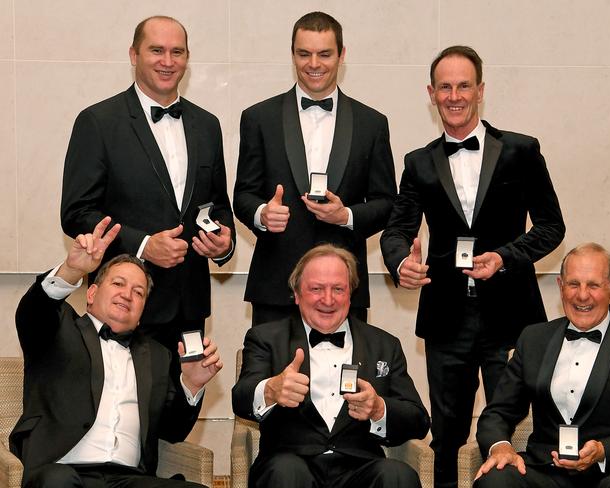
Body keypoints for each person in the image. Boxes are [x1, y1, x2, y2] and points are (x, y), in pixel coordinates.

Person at [380, 45, 565, 488]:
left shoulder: (521, 150)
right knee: (446, 436)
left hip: (512, 318)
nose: (454, 95)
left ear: (481, 90)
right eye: (445, 86)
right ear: (431, 93)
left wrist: (505, 257)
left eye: (464, 85)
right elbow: (395, 231)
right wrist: (399, 262)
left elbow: (552, 227)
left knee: (512, 432)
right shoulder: (418, 162)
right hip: (446, 320)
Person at [60, 15, 235, 355]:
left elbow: (217, 206)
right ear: (133, 55)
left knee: (187, 404)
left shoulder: (207, 125)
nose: (168, 62)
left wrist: (223, 242)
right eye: (156, 50)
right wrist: (142, 245)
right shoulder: (98, 122)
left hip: (190, 309)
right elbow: (77, 213)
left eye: (177, 52)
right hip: (122, 305)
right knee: (122, 407)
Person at [10, 217, 223, 488]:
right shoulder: (58, 329)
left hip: (129, 478)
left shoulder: (157, 355)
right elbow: (32, 313)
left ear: (142, 310)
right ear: (91, 293)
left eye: (138, 292)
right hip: (62, 469)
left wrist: (191, 385)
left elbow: (172, 430)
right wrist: (71, 270)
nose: (127, 295)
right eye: (118, 284)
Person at [234, 11, 396, 326]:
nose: (314, 63)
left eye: (324, 54)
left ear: (342, 55)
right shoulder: (258, 118)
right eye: (304, 53)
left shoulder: (372, 123)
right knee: (274, 376)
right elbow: (243, 195)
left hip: (344, 290)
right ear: (292, 54)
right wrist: (262, 215)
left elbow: (388, 203)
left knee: (344, 377)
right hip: (275, 288)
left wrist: (346, 216)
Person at [232, 244, 430, 488]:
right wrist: (271, 390)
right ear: (296, 293)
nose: (328, 299)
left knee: (397, 476)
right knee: (285, 473)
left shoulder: (384, 344)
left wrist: (379, 409)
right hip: (290, 463)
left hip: (360, 466)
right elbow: (240, 398)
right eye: (316, 289)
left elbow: (418, 420)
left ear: (350, 293)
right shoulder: (266, 338)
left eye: (338, 289)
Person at [474, 243, 610, 488]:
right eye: (574, 284)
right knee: (495, 480)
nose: (582, 295)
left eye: (594, 285)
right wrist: (501, 446)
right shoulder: (533, 338)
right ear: (560, 287)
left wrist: (602, 450)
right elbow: (498, 413)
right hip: (544, 471)